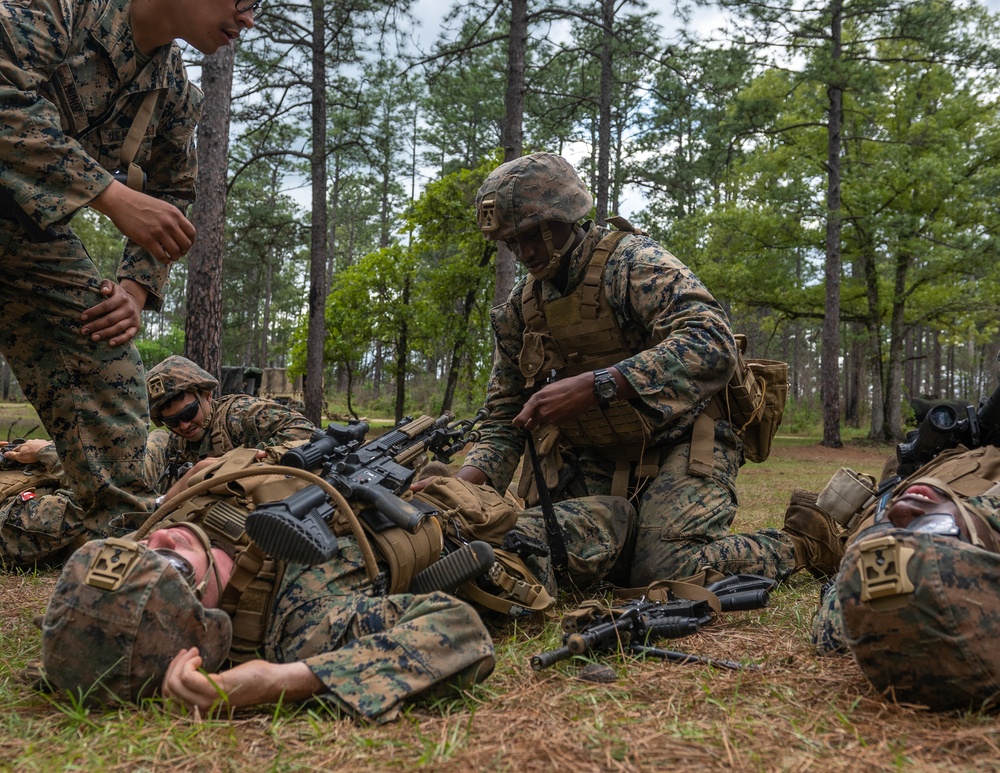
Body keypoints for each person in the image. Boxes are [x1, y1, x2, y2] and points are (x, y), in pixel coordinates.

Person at [454, 152, 834, 587]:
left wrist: (600, 385)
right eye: (510, 243)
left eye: (530, 235)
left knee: (663, 570)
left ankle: (804, 543)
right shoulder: (520, 310)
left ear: (565, 215)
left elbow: (711, 341)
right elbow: (505, 416)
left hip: (682, 441)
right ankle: (634, 539)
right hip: (593, 457)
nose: (524, 253)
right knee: (531, 547)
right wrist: (463, 490)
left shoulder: (633, 264)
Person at [0, 0, 257, 543]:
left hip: (26, 229)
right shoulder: (63, 8)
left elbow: (172, 190)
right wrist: (109, 194)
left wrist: (136, 291)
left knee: (106, 351)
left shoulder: (174, 94)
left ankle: (126, 547)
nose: (249, 17)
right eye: (245, 0)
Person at [38, 519, 495, 721]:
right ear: (202, 627)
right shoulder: (299, 617)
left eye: (136, 548)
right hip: (472, 524)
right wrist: (279, 681)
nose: (159, 534)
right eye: (167, 564)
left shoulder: (179, 517)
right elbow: (459, 629)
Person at [811, 444, 1000, 710]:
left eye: (881, 554)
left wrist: (875, 530)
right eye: (934, 532)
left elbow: (835, 623)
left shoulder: (839, 624)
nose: (901, 515)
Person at [144, 355, 316, 494]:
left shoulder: (242, 415)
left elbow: (306, 432)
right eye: (172, 421)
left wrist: (237, 462)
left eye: (189, 412)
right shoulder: (176, 441)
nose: (184, 425)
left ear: (206, 395)